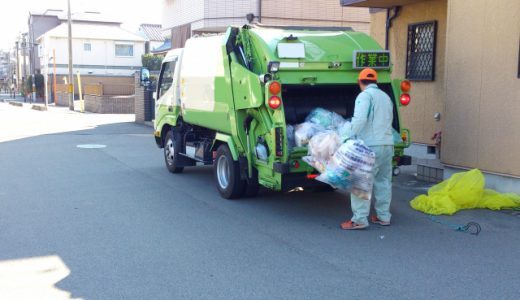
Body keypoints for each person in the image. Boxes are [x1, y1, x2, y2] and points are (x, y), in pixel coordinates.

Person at [341, 68, 394, 230]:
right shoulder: (386, 97)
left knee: (361, 183)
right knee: (383, 181)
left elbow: (359, 120)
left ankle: (359, 220)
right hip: (387, 144)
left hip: (371, 146)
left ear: (360, 82)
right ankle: (383, 216)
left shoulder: (365, 96)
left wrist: (344, 137)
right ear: (375, 81)